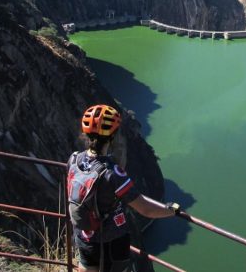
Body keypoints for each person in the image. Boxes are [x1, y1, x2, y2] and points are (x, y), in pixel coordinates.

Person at [68, 104, 180, 272]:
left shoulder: (74, 160)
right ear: (112, 136)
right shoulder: (112, 173)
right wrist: (171, 210)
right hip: (111, 241)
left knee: (85, 268)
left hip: (83, 236)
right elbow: (145, 209)